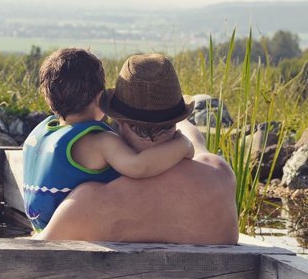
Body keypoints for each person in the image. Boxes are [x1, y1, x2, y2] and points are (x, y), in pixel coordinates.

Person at [36, 54, 239, 244]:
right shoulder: (219, 176)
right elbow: (192, 138)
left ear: (117, 120)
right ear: (178, 119)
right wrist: (180, 137)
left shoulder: (88, 202)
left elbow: (32, 253)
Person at [23, 49, 194, 232]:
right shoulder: (100, 141)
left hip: (40, 225)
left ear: (49, 99)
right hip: (74, 232)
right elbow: (138, 166)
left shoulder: (40, 133)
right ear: (100, 98)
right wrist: (183, 145)